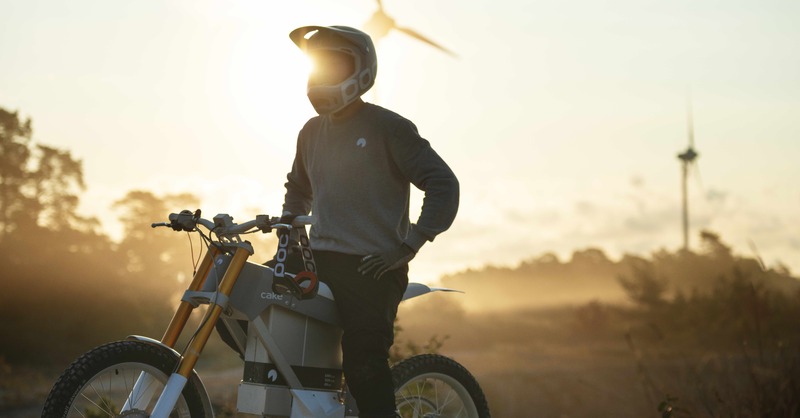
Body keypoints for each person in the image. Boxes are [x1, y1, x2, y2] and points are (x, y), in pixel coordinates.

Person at [281, 25, 459, 418]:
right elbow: (297, 188)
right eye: (319, 66)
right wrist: (290, 231)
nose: (324, 75)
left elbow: (443, 184)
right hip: (317, 258)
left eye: (335, 64)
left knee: (363, 365)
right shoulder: (310, 132)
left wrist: (408, 244)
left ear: (361, 69)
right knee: (246, 301)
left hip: (373, 266)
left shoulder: (389, 127)